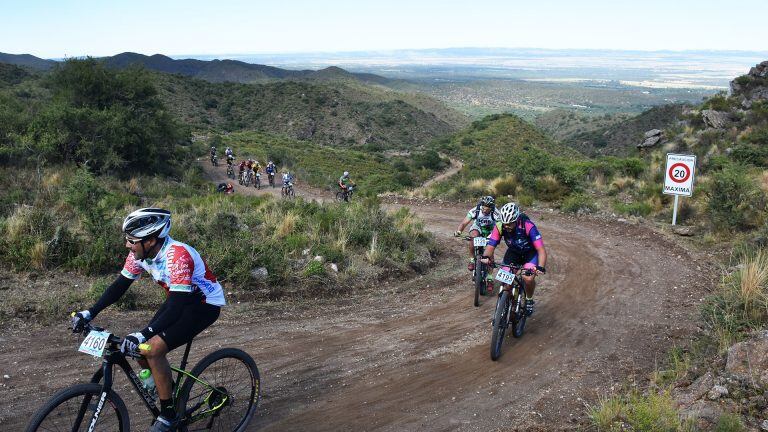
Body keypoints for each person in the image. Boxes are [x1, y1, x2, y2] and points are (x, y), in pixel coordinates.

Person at [71, 208, 225, 432]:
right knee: (139, 350)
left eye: (132, 241)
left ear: (151, 240)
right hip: (178, 300)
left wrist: (143, 333)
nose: (127, 245)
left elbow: (177, 306)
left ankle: (169, 415)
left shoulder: (178, 256)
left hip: (203, 305)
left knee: (150, 348)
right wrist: (90, 312)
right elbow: (120, 286)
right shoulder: (139, 253)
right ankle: (169, 395)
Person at [480, 202, 547, 316]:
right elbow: (491, 245)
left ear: (516, 220)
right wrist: (486, 256)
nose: (507, 226)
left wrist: (540, 267)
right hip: (513, 253)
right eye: (505, 223)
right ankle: (506, 302)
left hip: (530, 254)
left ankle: (529, 299)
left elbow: (541, 250)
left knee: (528, 278)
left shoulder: (528, 226)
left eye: (510, 224)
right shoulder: (500, 226)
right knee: (506, 281)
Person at [454, 196, 500, 272]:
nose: (484, 211)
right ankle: (472, 260)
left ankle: (490, 276)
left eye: (487, 209)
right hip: (478, 227)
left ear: (491, 208)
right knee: (473, 237)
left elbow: (499, 227)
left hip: (490, 230)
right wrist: (459, 231)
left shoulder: (496, 213)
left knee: (490, 251)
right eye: (483, 208)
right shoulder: (476, 210)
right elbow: (464, 222)